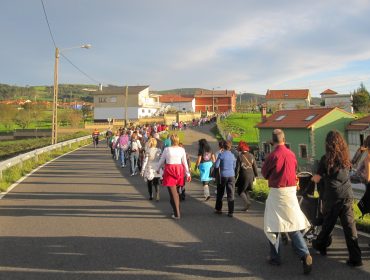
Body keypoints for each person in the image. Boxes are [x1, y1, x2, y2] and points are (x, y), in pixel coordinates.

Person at [262, 129, 312, 275]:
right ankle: (304, 254)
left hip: (277, 192)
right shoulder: (291, 154)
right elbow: (294, 169)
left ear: (273, 141)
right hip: (291, 192)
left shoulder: (273, 155)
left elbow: (265, 174)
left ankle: (275, 257)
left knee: (273, 224)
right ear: (284, 139)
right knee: (292, 225)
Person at [311, 130, 362, 267]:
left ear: (328, 144)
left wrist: (313, 178)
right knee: (350, 228)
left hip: (333, 197)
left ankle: (318, 244)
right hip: (347, 196)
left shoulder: (325, 160)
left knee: (327, 225)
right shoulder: (345, 159)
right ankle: (356, 258)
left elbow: (317, 178)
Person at [157, 134, 191, 219]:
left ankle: (177, 213)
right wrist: (188, 173)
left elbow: (162, 160)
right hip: (179, 170)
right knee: (176, 193)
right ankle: (177, 210)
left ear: (171, 140)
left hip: (169, 170)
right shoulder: (182, 149)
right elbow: (184, 162)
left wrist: (157, 168)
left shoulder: (167, 149)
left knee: (173, 194)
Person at [214, 140, 236, 217]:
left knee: (220, 193)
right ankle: (231, 212)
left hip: (223, 176)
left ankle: (219, 209)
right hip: (231, 176)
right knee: (231, 193)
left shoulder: (221, 155)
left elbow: (216, 166)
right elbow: (234, 166)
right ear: (230, 147)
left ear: (223, 147)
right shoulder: (233, 156)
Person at [235, 141, 258, 211]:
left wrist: (235, 176)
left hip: (243, 175)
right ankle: (246, 206)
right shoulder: (251, 155)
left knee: (240, 191)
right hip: (251, 175)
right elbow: (255, 167)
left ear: (240, 148)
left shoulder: (240, 156)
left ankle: (247, 202)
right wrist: (256, 176)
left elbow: (237, 168)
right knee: (247, 190)